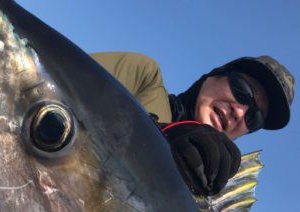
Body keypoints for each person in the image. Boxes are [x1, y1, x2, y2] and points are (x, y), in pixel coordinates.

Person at [91, 52, 295, 196]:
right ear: (214, 75)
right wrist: (159, 137)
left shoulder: (211, 204)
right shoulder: (144, 78)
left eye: (255, 118)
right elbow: (66, 95)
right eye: (242, 90)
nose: (240, 112)